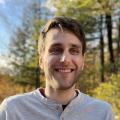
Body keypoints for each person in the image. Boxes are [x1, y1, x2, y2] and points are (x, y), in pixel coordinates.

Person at [0, 17, 115, 120]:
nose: (65, 59)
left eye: (74, 51)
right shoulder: (12, 110)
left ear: (83, 61)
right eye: (56, 50)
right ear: (41, 60)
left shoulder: (102, 113)